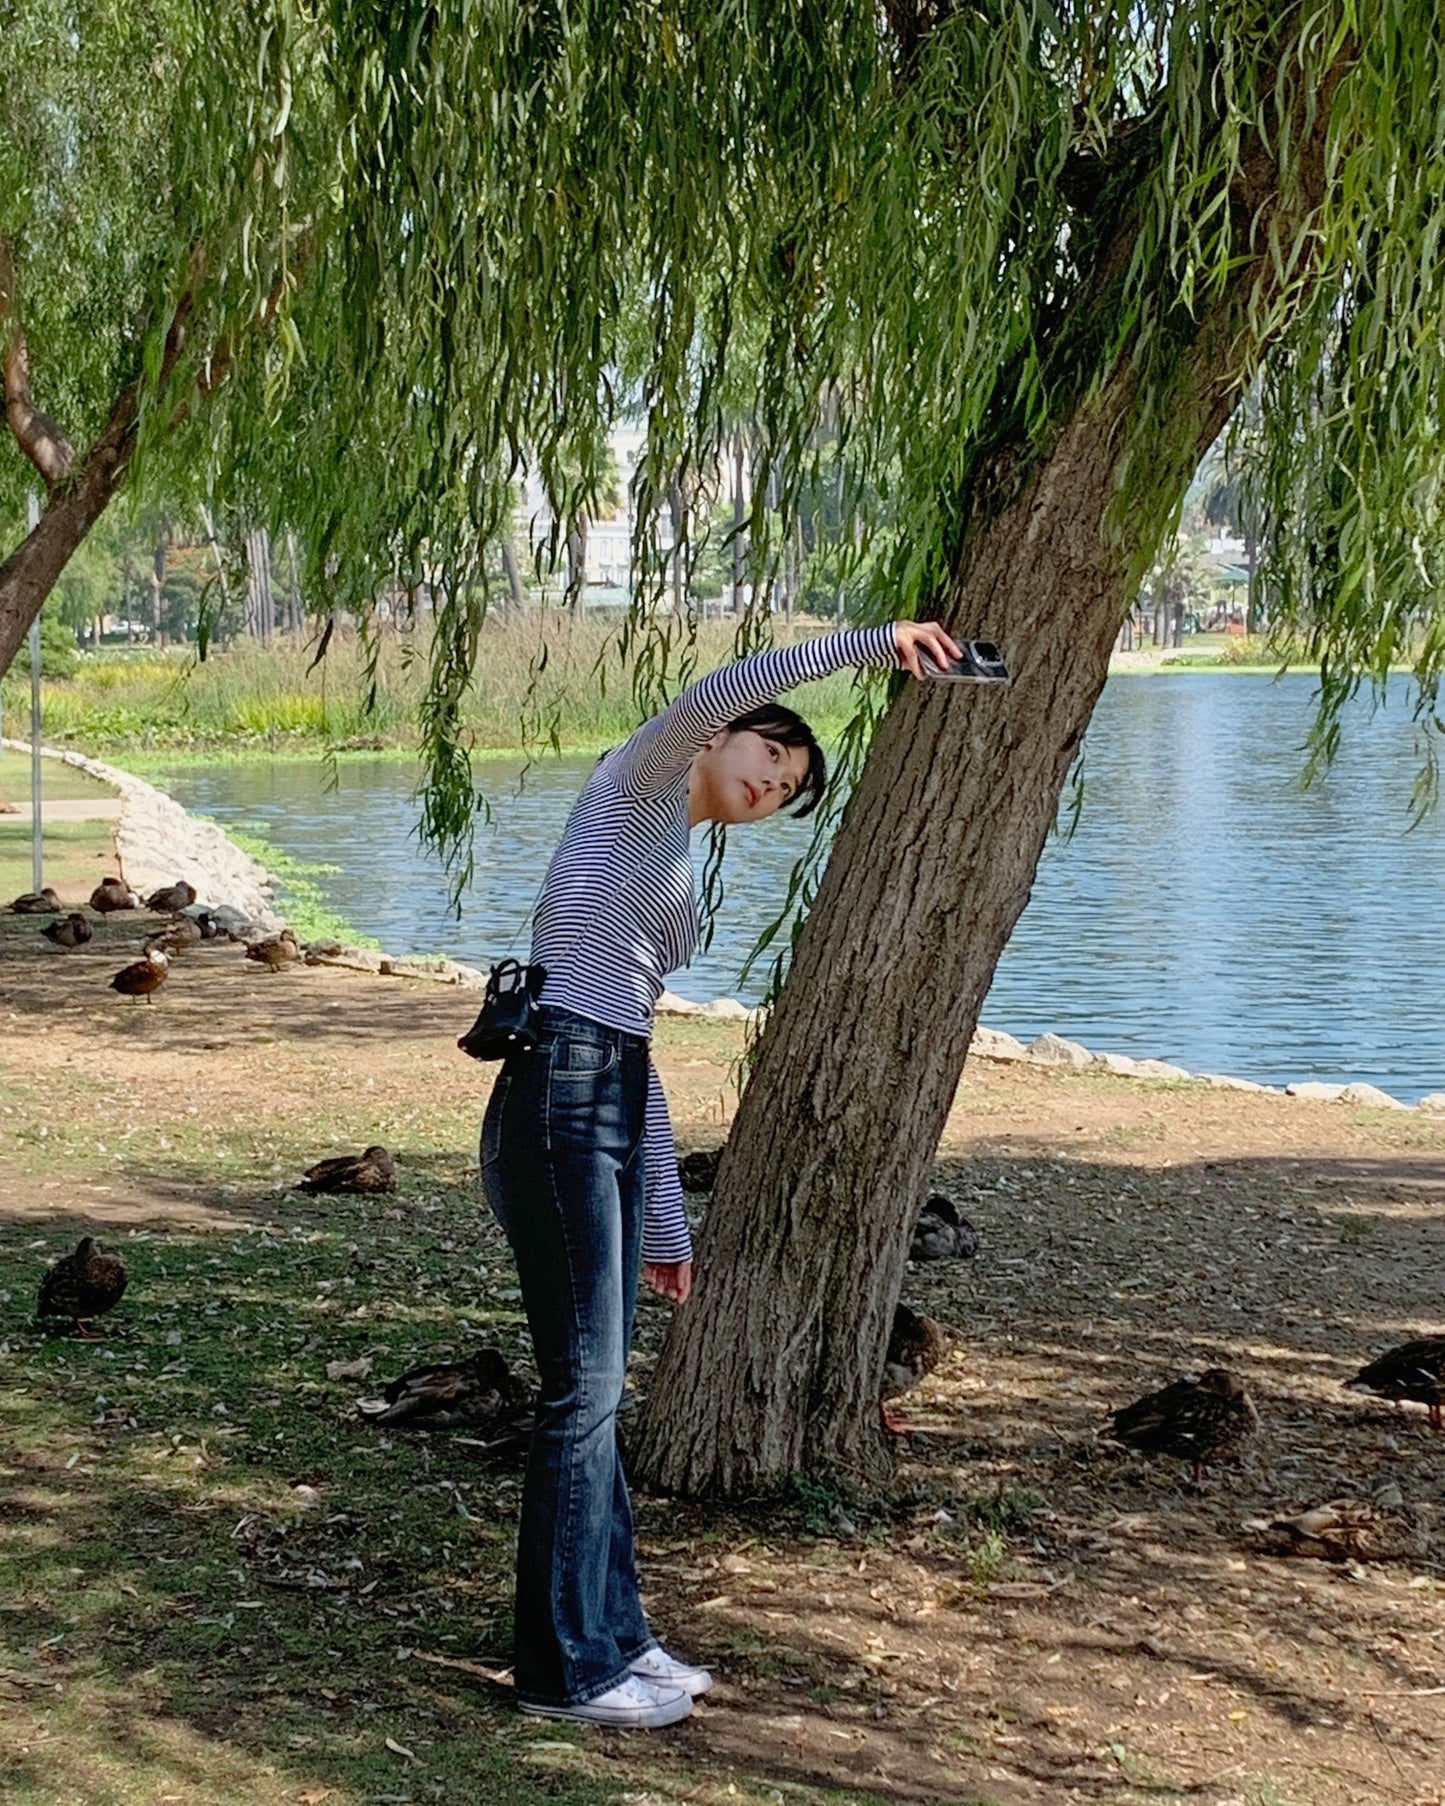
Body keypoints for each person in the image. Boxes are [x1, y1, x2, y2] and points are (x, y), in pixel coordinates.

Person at [480, 616, 963, 1728]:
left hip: (599, 1087)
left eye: (791, 787)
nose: (773, 785)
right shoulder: (638, 782)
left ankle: (614, 1636)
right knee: (582, 1394)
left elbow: (634, 1035)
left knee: (594, 1399)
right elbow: (732, 679)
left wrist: (665, 1224)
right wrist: (869, 643)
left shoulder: (677, 853)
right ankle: (562, 1672)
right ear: (717, 739)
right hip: (555, 1086)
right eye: (769, 756)